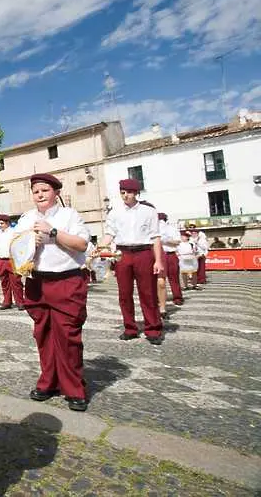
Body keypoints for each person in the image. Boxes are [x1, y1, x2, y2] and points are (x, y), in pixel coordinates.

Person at [12, 173, 91, 411]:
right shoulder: (27, 218)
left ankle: (74, 388)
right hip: (37, 282)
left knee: (68, 336)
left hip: (65, 280)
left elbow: (81, 244)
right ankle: (49, 381)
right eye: (36, 191)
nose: (40, 194)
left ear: (56, 192)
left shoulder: (69, 215)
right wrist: (29, 243)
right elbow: (15, 248)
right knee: (43, 334)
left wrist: (52, 232)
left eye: (45, 190)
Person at [98, 179, 164, 345]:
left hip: (143, 252)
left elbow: (155, 237)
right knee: (124, 293)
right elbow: (109, 234)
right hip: (123, 253)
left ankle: (153, 328)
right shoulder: (114, 212)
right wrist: (100, 246)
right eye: (122, 192)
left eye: (128, 192)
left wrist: (158, 261)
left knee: (148, 292)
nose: (125, 195)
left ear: (136, 193)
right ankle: (130, 328)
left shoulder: (149, 211)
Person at [158, 213, 183, 318]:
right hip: (159, 254)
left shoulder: (172, 229)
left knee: (174, 277)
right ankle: (159, 299)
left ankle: (177, 297)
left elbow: (177, 241)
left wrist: (166, 240)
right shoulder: (154, 228)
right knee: (159, 279)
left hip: (170, 254)